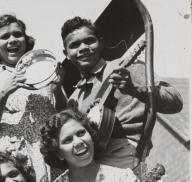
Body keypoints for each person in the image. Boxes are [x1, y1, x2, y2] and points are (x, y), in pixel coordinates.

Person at [61, 17, 182, 170]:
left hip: (126, 152)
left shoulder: (127, 68)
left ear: (101, 42)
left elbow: (175, 102)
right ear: (66, 53)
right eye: (75, 45)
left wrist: (134, 90)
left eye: (89, 41)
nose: (83, 47)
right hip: (92, 163)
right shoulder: (74, 99)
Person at [0, 14, 66, 182]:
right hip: (13, 156)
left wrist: (58, 90)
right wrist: (4, 93)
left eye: (17, 34)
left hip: (48, 152)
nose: (12, 40)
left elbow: (64, 117)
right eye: (5, 36)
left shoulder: (45, 71)